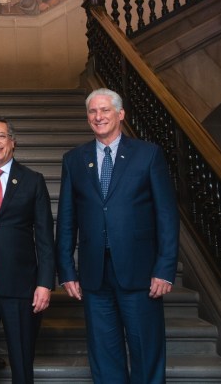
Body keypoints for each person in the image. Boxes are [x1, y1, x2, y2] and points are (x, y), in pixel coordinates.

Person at [56, 88, 179, 383]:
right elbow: (67, 218)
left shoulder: (148, 154)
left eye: (105, 110)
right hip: (93, 274)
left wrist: (165, 269)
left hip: (140, 272)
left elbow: (166, 216)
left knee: (145, 351)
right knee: (103, 353)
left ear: (120, 114)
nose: (98, 117)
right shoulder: (74, 159)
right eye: (93, 112)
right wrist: (66, 271)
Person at [0, 116, 55, 384]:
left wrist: (45, 284)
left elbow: (44, 237)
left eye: (0, 136)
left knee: (21, 360)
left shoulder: (33, 180)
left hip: (21, 286)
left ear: (12, 142)